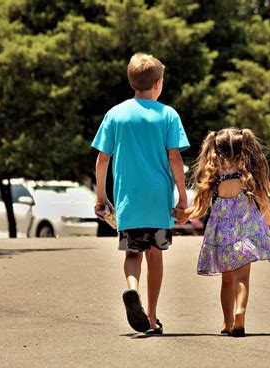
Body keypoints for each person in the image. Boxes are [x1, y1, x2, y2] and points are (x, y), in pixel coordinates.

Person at [91, 52, 190, 335]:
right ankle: (152, 317)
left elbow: (102, 159)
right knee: (155, 254)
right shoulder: (168, 115)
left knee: (133, 252)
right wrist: (182, 196)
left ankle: (131, 290)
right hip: (157, 200)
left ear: (132, 81)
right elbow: (175, 158)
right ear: (158, 83)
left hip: (128, 200)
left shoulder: (116, 114)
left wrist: (101, 196)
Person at [175, 128, 270, 337]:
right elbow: (263, 200)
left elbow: (201, 208)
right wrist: (267, 219)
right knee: (243, 277)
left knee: (227, 281)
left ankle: (227, 322)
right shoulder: (248, 174)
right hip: (246, 227)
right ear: (244, 149)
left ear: (216, 150)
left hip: (222, 232)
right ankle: (241, 311)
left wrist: (183, 214)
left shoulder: (214, 176)